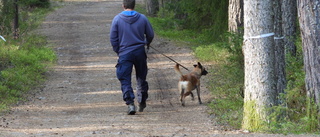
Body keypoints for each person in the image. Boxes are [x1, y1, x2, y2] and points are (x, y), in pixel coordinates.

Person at [110, 0, 154, 115]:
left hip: (125, 53)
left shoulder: (117, 19)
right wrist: (146, 43)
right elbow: (150, 34)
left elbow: (113, 38)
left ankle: (130, 103)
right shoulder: (143, 18)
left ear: (123, 5)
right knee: (141, 77)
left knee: (125, 79)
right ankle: (142, 99)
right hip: (139, 52)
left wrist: (118, 51)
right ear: (134, 5)